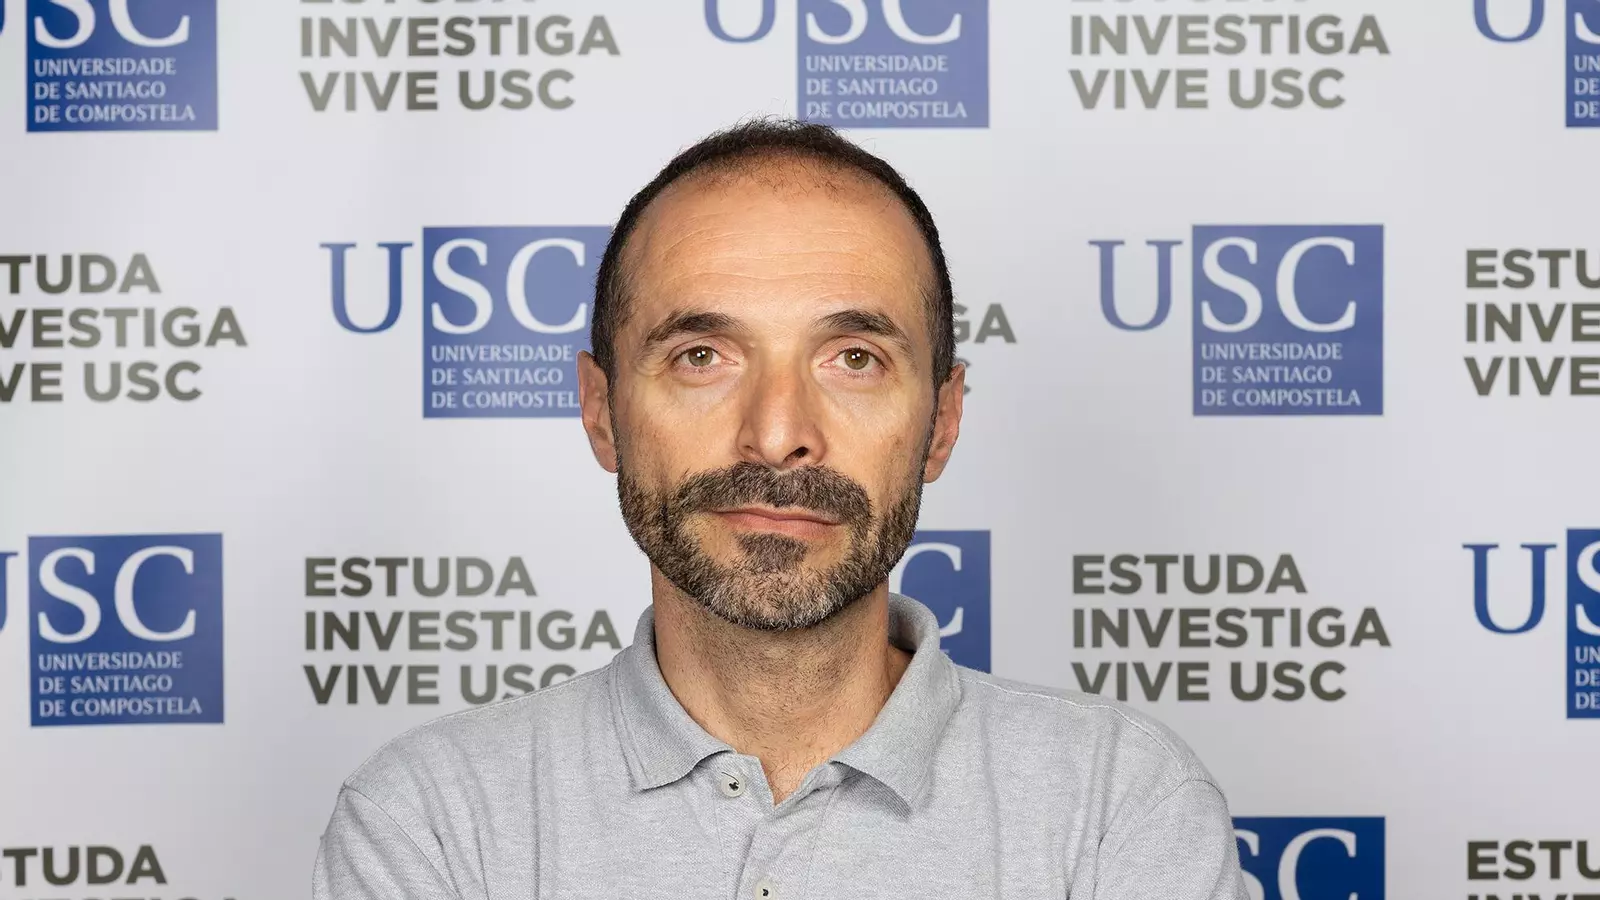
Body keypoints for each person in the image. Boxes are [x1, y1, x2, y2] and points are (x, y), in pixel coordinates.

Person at [312, 117, 1249, 900]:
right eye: (702, 357)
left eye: (854, 360)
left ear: (941, 422)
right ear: (601, 412)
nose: (776, 434)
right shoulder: (433, 822)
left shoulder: (1120, 809)